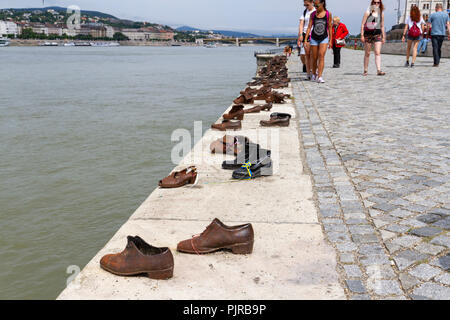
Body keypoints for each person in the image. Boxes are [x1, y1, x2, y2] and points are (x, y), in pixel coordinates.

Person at [305, 0, 333, 83]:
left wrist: (331, 40)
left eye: (317, 5)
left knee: (321, 56)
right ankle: (314, 74)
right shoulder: (313, 14)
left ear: (322, 3)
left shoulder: (328, 14)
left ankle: (320, 76)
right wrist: (306, 39)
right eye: (314, 5)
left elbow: (330, 27)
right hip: (314, 38)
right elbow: (309, 27)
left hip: (324, 38)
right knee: (314, 57)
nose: (315, 7)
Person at [360, 0, 386, 76]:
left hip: (377, 34)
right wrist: (362, 35)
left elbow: (382, 26)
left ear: (380, 3)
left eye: (378, 2)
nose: (376, 4)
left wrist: (384, 36)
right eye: (375, 2)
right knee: (367, 53)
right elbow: (362, 24)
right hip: (368, 35)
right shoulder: (368, 12)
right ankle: (365, 70)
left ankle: (378, 70)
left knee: (377, 52)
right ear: (372, 3)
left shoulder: (381, 13)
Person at [297, 0, 316, 79]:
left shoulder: (316, 11)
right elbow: (301, 24)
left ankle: (312, 71)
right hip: (305, 34)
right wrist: (300, 35)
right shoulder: (305, 12)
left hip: (314, 34)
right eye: (304, 5)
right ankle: (308, 71)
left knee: (313, 55)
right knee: (305, 55)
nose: (306, 6)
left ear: (312, 2)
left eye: (307, 5)